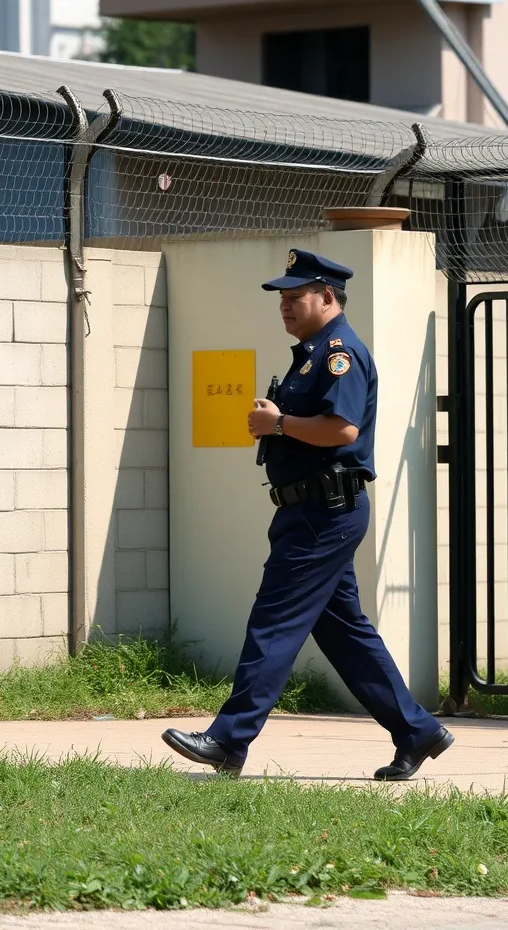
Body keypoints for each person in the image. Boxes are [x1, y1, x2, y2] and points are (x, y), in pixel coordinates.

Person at [161, 248, 453, 781]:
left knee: (273, 622)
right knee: (344, 632)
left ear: (328, 296)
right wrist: (277, 423)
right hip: (311, 509)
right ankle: (416, 730)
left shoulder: (340, 352)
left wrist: (277, 425)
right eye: (282, 298)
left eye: (297, 297)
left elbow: (343, 430)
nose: (286, 306)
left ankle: (229, 739)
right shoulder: (311, 353)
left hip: (325, 510)